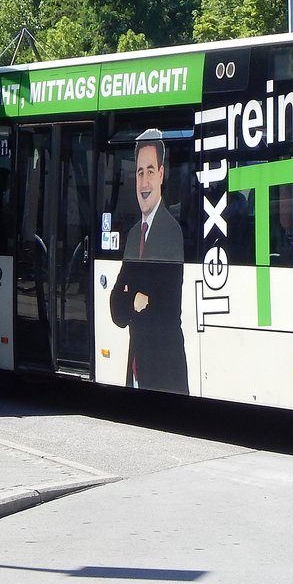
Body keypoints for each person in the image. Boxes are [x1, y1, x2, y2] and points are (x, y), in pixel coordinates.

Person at [109, 129, 189, 393]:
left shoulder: (171, 231)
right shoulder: (134, 235)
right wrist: (133, 299)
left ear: (162, 175)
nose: (144, 182)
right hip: (137, 371)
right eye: (139, 172)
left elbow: (161, 308)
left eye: (150, 171)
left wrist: (130, 296)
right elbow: (116, 310)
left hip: (163, 373)